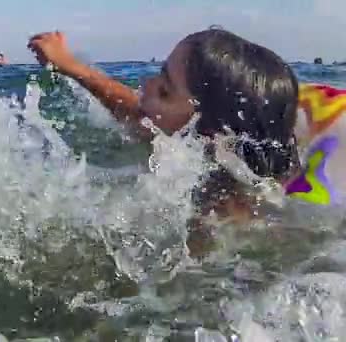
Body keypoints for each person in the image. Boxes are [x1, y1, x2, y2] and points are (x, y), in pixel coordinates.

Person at [28, 28, 302, 252]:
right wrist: (70, 66)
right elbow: (136, 113)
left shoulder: (218, 225)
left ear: (210, 136)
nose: (145, 86)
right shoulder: (207, 149)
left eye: (164, 90)